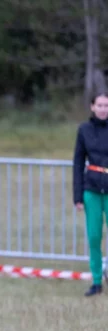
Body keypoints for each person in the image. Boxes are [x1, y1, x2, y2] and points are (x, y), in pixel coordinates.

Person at [73, 91, 108, 297]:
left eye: (107, 105)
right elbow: (78, 162)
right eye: (100, 105)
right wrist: (77, 196)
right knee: (94, 236)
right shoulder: (84, 130)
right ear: (92, 107)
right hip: (92, 190)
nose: (104, 109)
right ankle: (96, 280)